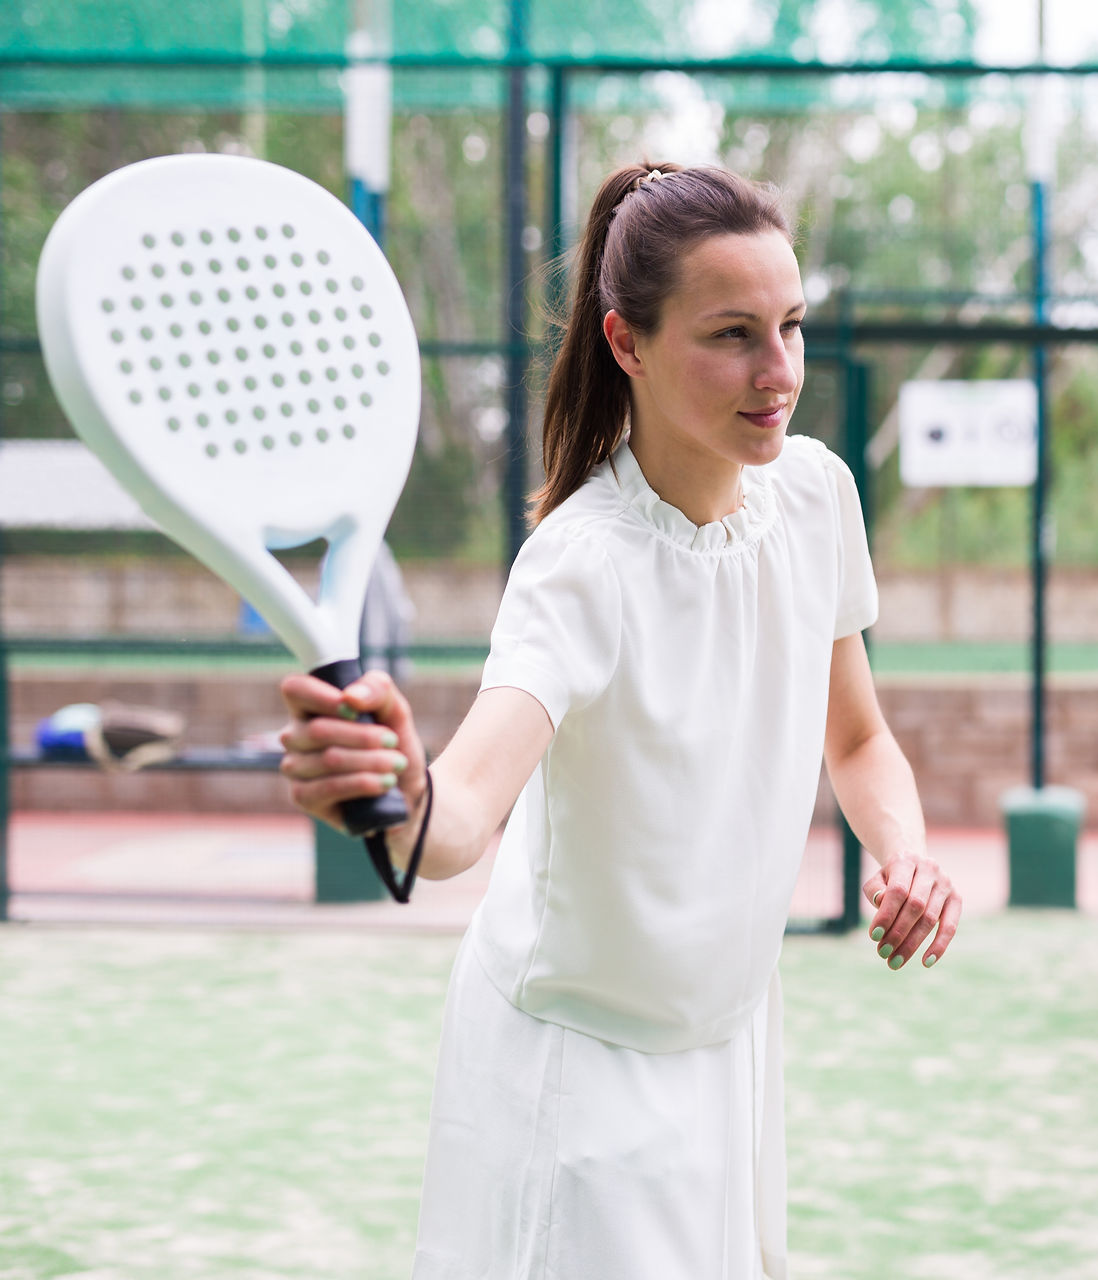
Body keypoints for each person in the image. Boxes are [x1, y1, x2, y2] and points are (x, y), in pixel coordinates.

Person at [276, 162, 959, 1279]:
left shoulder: (818, 495)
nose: (779, 370)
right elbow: (459, 822)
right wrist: (397, 791)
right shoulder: (580, 564)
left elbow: (858, 738)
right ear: (627, 343)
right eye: (733, 334)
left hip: (729, 1045)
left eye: (790, 325)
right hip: (577, 1076)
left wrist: (905, 851)